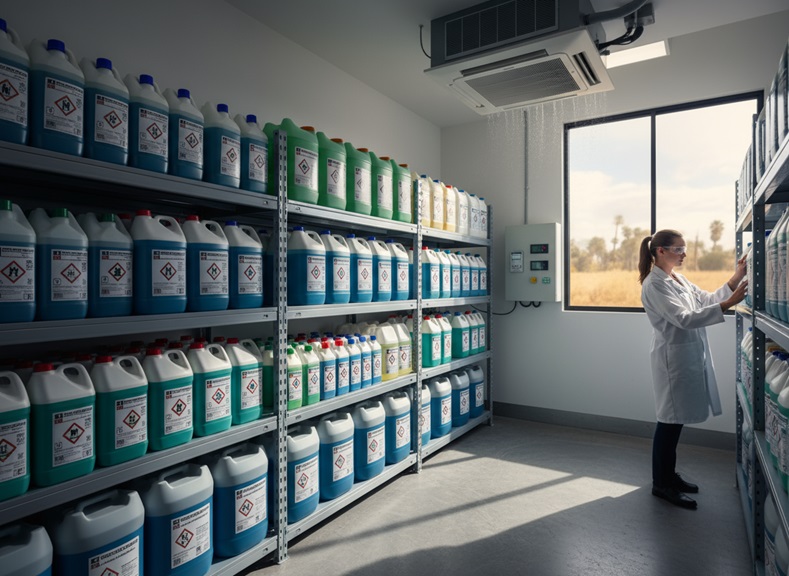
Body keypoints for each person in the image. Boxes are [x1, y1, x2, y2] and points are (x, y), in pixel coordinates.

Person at [639, 229, 747, 510]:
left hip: (686, 355)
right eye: (678, 249)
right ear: (660, 251)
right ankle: (661, 484)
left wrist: (735, 278)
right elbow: (683, 318)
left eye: (684, 249)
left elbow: (705, 299)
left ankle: (669, 476)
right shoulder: (654, 284)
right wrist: (729, 304)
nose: (684, 254)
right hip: (672, 360)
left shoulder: (678, 278)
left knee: (675, 422)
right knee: (669, 422)